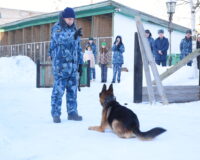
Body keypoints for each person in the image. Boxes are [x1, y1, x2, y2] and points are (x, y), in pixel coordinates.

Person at [48, 7, 83, 123]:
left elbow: (78, 48)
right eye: (69, 19)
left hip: (72, 67)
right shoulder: (57, 28)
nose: (71, 21)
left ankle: (72, 113)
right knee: (58, 91)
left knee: (72, 91)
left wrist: (80, 64)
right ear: (64, 18)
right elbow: (62, 40)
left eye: (72, 19)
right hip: (60, 67)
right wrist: (74, 36)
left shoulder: (74, 29)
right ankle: (56, 114)